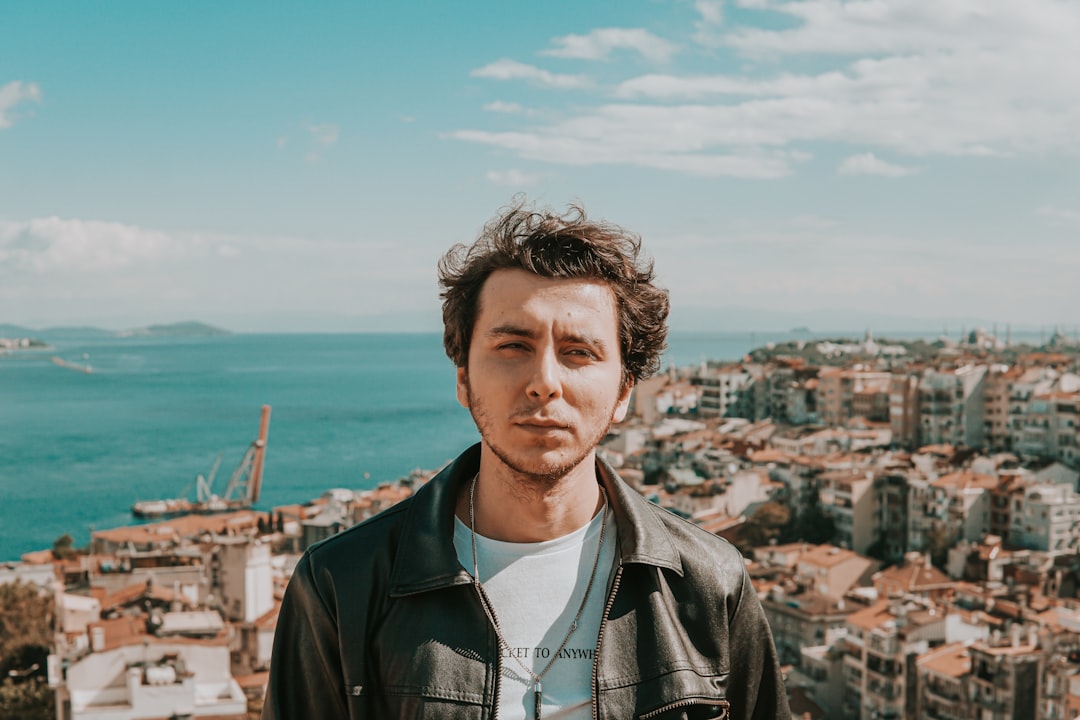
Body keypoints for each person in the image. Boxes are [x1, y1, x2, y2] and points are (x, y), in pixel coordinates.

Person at [263, 199, 791, 720]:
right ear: (463, 378)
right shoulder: (342, 584)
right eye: (513, 346)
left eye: (579, 352)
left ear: (625, 390)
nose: (544, 383)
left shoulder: (709, 583)